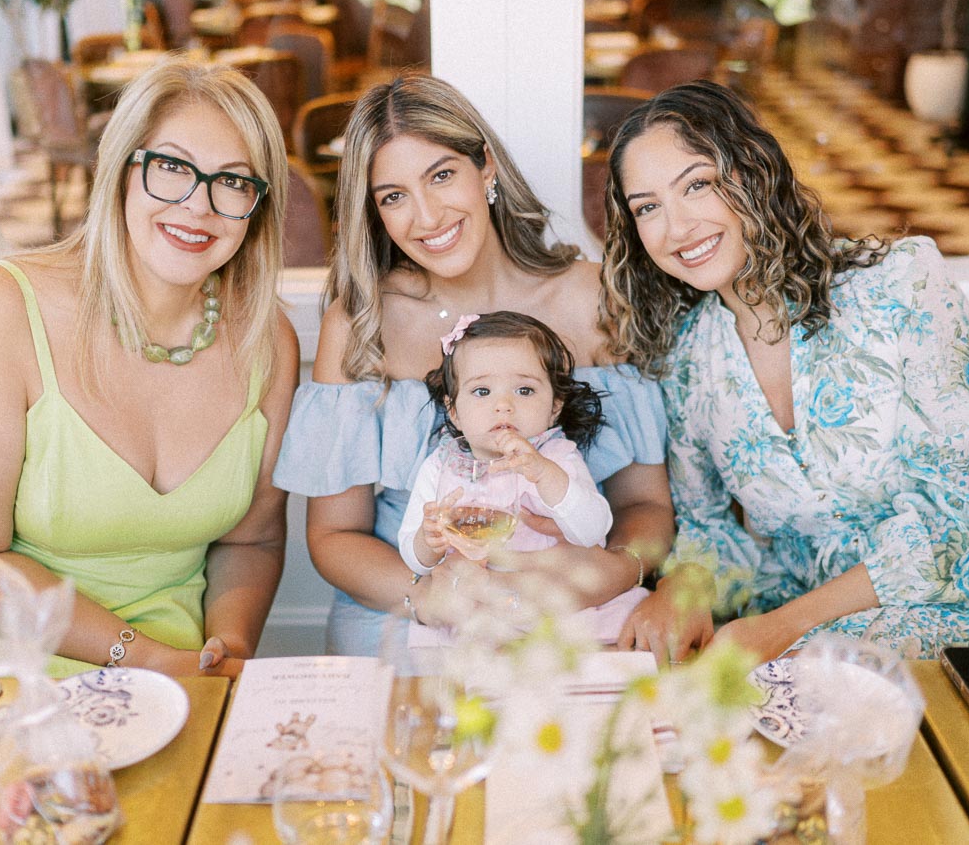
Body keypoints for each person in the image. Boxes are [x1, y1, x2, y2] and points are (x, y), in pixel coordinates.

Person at [601, 80, 969, 662]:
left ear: (752, 174)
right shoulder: (690, 359)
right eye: (647, 207)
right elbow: (713, 529)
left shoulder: (904, 284)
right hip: (817, 627)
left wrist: (782, 627)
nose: (677, 226)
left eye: (697, 185)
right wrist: (678, 589)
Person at [0, 57, 299, 677]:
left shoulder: (267, 339)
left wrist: (223, 656)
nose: (199, 205)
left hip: (169, 669)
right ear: (120, 172)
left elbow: (252, 541)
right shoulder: (0, 306)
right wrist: (143, 659)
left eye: (233, 182)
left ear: (258, 205)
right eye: (171, 167)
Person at [273, 74, 675, 656]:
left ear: (485, 167)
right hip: (408, 609)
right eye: (393, 196)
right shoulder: (360, 322)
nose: (427, 215)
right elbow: (336, 536)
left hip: (571, 607)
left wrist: (613, 573)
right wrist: (430, 598)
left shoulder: (592, 302)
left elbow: (646, 505)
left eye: (441, 175)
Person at [397, 311, 649, 645]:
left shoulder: (557, 456)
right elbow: (414, 559)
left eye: (525, 390)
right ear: (454, 411)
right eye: (482, 391)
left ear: (555, 406)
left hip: (554, 606)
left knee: (619, 627)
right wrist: (426, 542)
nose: (504, 405)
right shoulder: (443, 465)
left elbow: (593, 532)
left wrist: (545, 474)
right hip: (477, 612)